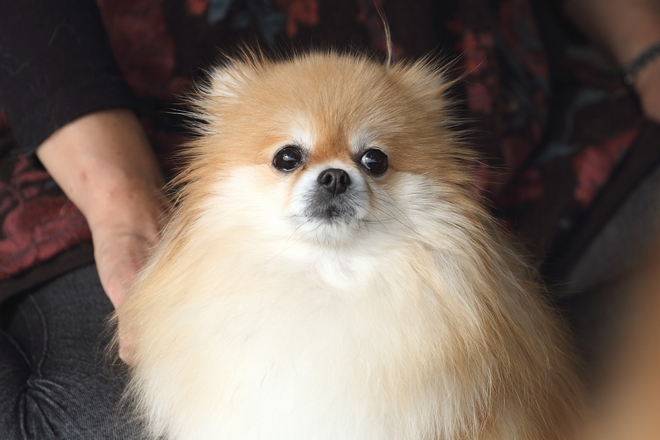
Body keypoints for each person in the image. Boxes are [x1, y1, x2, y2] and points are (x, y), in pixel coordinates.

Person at [0, 0, 658, 437]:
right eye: (289, 158)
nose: (334, 174)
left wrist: (647, 51)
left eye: (372, 161)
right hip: (110, 125)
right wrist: (119, 204)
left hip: (538, 112)